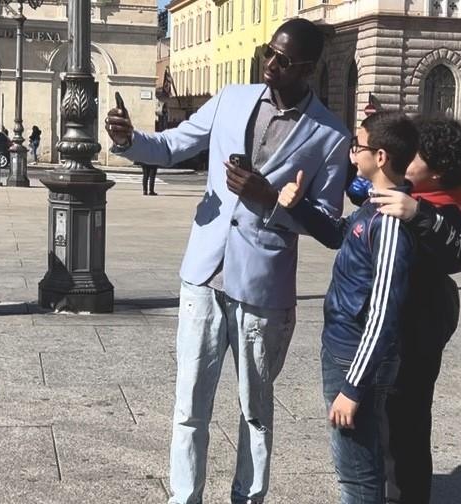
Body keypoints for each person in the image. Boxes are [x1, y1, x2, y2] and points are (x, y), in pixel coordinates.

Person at [104, 18, 350, 504]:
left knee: (255, 410)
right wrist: (130, 140)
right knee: (189, 403)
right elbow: (175, 144)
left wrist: (270, 198)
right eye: (267, 52)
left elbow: (326, 220)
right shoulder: (232, 99)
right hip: (203, 273)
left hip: (263, 287)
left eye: (282, 60)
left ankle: (248, 497)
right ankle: (184, 498)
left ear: (307, 68)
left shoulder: (331, 134)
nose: (269, 64)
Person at [277, 111, 420, 504]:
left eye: (357, 145)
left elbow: (384, 313)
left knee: (357, 474)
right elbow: (341, 234)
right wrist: (300, 207)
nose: (351, 152)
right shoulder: (373, 206)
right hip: (345, 348)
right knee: (355, 464)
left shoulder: (389, 223)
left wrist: (353, 388)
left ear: (380, 156)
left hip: (355, 358)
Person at [369, 117, 461, 504]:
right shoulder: (408, 192)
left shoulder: (446, 206)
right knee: (385, 421)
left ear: (439, 171)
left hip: (421, 324)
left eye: (415, 155)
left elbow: (459, 254)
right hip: (396, 323)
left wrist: (418, 214)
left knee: (407, 421)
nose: (406, 159)